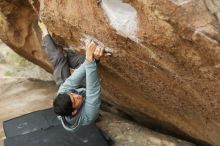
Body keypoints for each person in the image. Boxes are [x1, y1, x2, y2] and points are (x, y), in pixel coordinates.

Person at [41, 25, 105, 131]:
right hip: (87, 95)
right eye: (74, 100)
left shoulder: (63, 93)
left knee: (58, 57)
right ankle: (75, 58)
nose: (77, 96)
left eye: (72, 95)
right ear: (74, 111)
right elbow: (93, 89)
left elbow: (73, 79)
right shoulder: (89, 113)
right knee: (87, 63)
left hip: (72, 90)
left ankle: (44, 33)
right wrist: (93, 59)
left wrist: (91, 58)